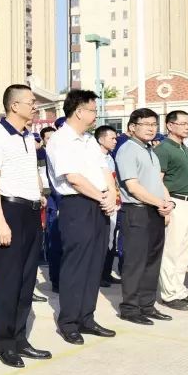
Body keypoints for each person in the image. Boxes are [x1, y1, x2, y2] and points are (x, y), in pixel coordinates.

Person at [0, 84, 52, 368]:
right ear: (14, 106)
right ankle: (6, 344)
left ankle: (21, 339)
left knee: (26, 281)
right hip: (9, 212)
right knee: (9, 282)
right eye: (31, 102)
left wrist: (39, 194)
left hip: (31, 212)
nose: (35, 106)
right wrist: (0, 221)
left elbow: (30, 172)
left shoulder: (28, 136)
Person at [45, 91, 117, 345]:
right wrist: (101, 196)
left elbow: (104, 170)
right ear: (78, 111)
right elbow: (73, 178)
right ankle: (69, 322)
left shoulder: (88, 140)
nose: (96, 114)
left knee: (95, 264)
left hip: (99, 203)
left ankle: (87, 317)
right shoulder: (60, 140)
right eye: (93, 110)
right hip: (77, 205)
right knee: (76, 266)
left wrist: (111, 195)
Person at [114, 109, 174, 325]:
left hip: (154, 211)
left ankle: (147, 305)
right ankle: (130, 308)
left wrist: (167, 203)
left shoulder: (150, 151)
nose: (151, 128)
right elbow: (133, 187)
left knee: (152, 262)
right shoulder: (128, 150)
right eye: (146, 124)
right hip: (137, 211)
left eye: (154, 124)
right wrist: (160, 203)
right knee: (135, 262)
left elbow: (157, 184)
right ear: (132, 127)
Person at [155, 111, 188, 311]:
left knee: (184, 251)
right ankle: (169, 294)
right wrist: (167, 203)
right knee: (172, 251)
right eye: (183, 123)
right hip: (176, 202)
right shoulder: (164, 149)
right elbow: (158, 179)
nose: (187, 126)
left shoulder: (185, 149)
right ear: (170, 125)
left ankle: (179, 290)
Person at [94, 125, 122, 287]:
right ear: (100, 139)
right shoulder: (95, 157)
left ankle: (106, 273)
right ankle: (98, 275)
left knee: (111, 240)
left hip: (115, 202)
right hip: (102, 202)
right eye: (111, 138)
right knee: (103, 240)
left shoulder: (110, 157)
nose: (115, 141)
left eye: (115, 137)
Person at [43, 120, 66, 293]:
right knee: (56, 244)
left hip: (72, 204)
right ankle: (57, 280)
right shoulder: (53, 150)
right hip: (57, 203)